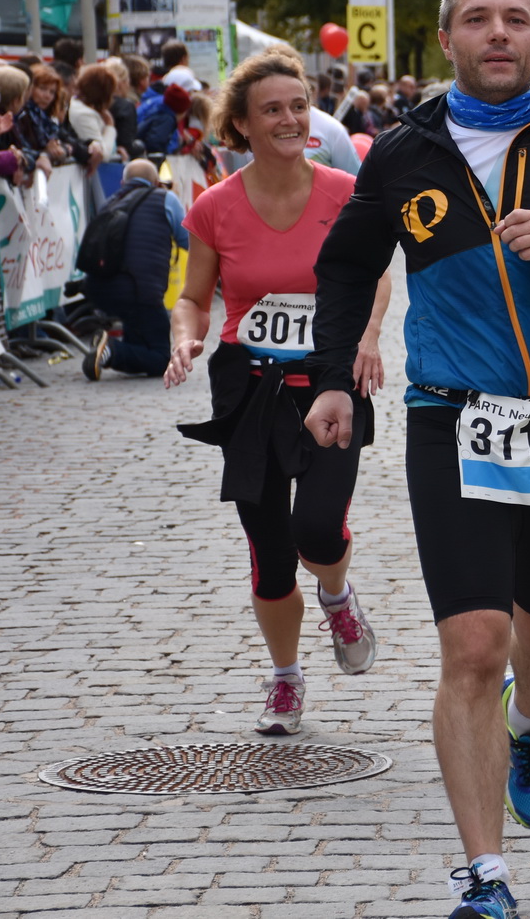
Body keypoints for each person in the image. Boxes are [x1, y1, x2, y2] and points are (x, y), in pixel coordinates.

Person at [302, 0, 530, 919]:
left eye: (514, 18)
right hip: (448, 419)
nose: (497, 33)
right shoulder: (402, 153)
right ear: (449, 36)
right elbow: (344, 271)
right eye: (477, 19)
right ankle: (485, 879)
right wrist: (336, 376)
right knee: (474, 646)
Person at [163, 50, 389, 739]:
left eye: (299, 105)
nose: (291, 118)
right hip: (250, 384)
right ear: (240, 124)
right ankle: (286, 678)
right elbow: (194, 298)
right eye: (273, 108)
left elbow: (374, 275)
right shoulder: (214, 207)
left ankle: (337, 594)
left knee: (317, 527)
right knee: (269, 549)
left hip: (330, 380)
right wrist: (186, 337)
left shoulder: (345, 193)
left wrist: (370, 335)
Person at [81, 158, 188, 379]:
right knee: (161, 360)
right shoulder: (166, 198)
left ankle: (110, 350)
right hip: (141, 292)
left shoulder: (111, 201)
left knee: (140, 341)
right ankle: (111, 350)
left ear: (123, 182)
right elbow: (188, 239)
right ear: (157, 182)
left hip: (99, 289)